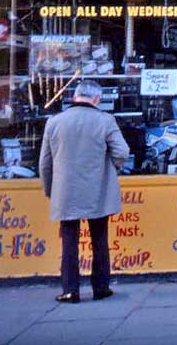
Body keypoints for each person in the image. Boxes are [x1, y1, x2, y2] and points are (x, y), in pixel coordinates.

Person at [39, 80, 130, 303]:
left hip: (66, 190)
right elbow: (122, 152)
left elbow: (45, 163)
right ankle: (100, 288)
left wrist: (50, 189)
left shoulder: (55, 121)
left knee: (69, 240)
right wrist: (110, 168)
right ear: (97, 99)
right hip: (98, 188)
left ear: (76, 96)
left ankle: (70, 290)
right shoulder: (105, 120)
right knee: (99, 238)